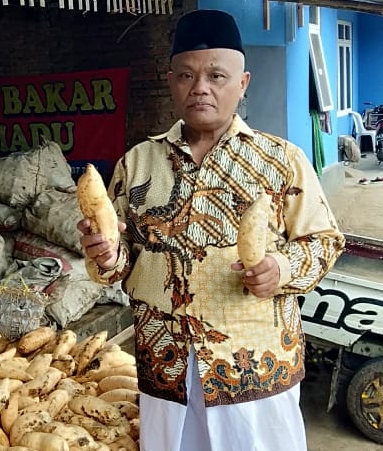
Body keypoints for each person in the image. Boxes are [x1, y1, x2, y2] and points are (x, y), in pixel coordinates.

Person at [78, 9, 345, 451]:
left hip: (257, 373)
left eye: (217, 76)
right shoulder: (137, 164)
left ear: (242, 84)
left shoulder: (282, 161)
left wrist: (281, 267)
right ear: (170, 82)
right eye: (186, 75)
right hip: (166, 372)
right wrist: (106, 256)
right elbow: (122, 262)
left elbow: (325, 241)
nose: (200, 87)